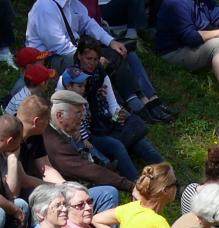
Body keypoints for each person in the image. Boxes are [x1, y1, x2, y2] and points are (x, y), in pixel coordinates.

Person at [25, 0, 175, 122]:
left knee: (118, 53)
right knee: (101, 60)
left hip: (72, 49)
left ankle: (139, 101)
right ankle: (129, 106)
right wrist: (91, 57)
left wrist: (111, 41)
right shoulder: (45, 7)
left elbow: (88, 23)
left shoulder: (72, 3)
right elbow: (59, 46)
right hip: (50, 59)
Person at [70, 38, 165, 181]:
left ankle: (168, 178)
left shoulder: (100, 73)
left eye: (95, 59)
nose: (92, 63)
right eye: (88, 58)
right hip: (88, 132)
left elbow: (112, 104)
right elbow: (63, 107)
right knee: (117, 146)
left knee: (141, 142)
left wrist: (117, 115)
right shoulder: (70, 78)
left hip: (106, 122)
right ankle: (136, 184)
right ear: (79, 56)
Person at [154, 0, 219, 115]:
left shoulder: (203, 1)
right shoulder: (175, 3)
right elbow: (190, 37)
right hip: (175, 52)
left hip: (195, 47)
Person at [44, 89, 135, 210]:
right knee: (108, 193)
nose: (82, 119)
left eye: (83, 113)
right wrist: (130, 186)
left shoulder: (56, 131)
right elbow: (86, 170)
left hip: (61, 189)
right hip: (53, 198)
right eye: (78, 113)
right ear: (59, 116)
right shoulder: (54, 142)